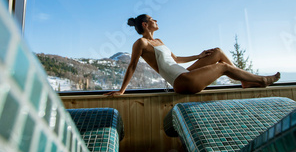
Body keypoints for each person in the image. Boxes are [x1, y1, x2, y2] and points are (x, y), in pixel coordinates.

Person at [104, 14, 280, 96]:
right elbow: (132, 66)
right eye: (153, 20)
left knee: (217, 51)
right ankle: (261, 80)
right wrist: (121, 91)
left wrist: (199, 55)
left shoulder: (160, 41)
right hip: (182, 81)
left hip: (185, 73)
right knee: (223, 67)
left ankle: (245, 81)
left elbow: (176, 59)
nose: (156, 21)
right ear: (145, 24)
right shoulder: (141, 43)